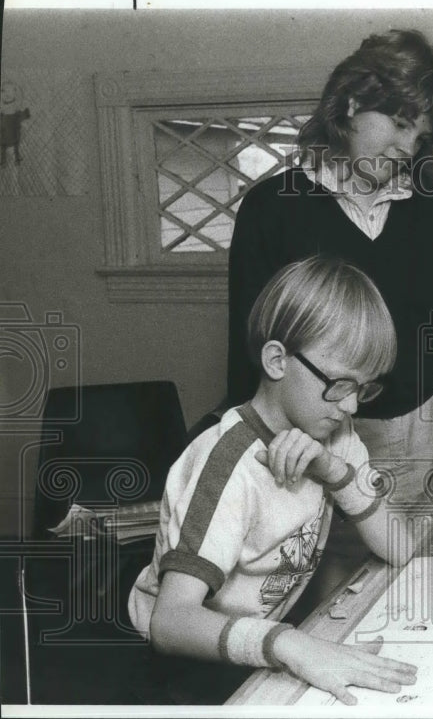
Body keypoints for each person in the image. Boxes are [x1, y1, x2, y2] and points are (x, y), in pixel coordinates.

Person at [227, 29, 433, 504]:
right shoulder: (272, 210)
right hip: (320, 448)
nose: (408, 148)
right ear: (350, 103)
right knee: (343, 579)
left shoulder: (430, 211)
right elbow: (251, 362)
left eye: (421, 136)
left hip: (429, 439)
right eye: (400, 122)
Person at [129, 256, 418, 705]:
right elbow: (170, 623)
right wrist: (291, 645)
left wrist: (336, 474)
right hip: (188, 665)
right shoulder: (227, 464)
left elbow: (401, 547)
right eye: (341, 384)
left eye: (365, 388)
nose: (353, 406)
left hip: (260, 641)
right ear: (278, 360)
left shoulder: (332, 433)